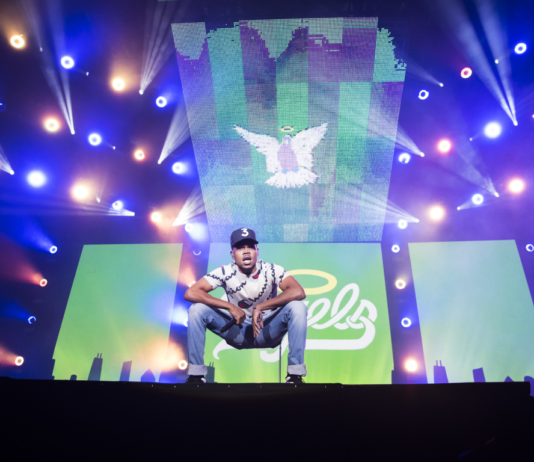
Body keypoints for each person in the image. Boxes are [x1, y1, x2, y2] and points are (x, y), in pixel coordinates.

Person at [184, 228, 308, 384]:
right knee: (196, 310)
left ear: (257, 252)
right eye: (240, 248)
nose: (246, 251)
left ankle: (295, 376)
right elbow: (191, 293)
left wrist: (260, 307)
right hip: (238, 331)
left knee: (298, 306)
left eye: (250, 247)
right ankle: (196, 376)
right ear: (232, 254)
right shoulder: (225, 272)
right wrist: (229, 307)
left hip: (267, 329)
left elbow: (298, 291)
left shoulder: (271, 269)